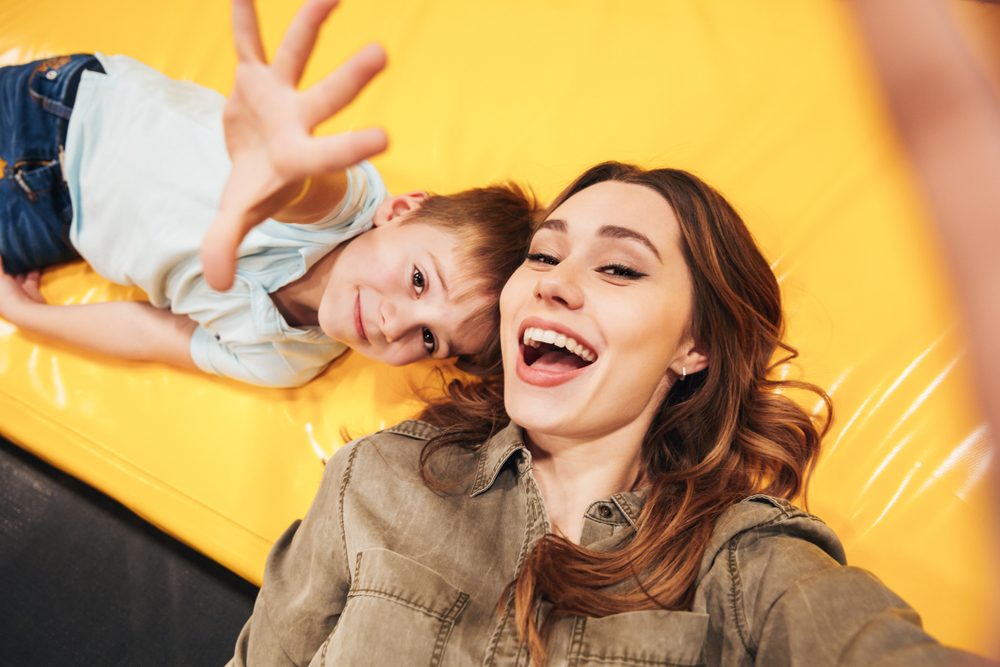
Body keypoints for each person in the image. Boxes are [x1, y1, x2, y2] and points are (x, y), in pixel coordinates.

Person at [228, 161, 992, 666]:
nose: (554, 282)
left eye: (620, 267)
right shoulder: (378, 475)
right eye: (542, 255)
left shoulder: (741, 565)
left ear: (693, 346)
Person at [0, 0, 535, 388]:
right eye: (418, 280)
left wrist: (27, 316)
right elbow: (303, 189)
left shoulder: (285, 360)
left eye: (429, 340)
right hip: (67, 105)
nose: (394, 326)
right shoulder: (347, 202)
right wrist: (281, 165)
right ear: (399, 211)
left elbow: (149, 333)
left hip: (54, 219)